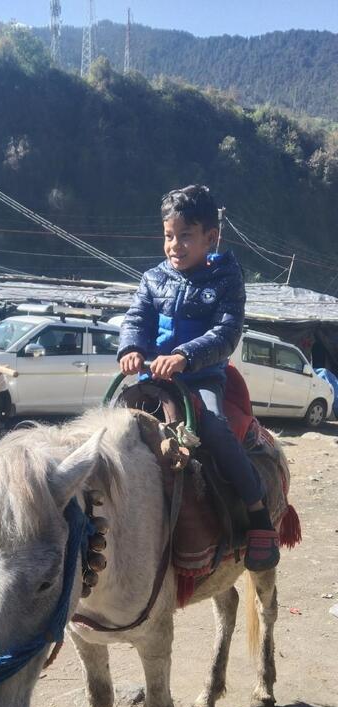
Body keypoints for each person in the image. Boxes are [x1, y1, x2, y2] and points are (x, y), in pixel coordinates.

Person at [117, 184, 280, 571]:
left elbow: (226, 333)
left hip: (202, 378)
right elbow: (136, 318)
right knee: (108, 425)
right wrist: (131, 349)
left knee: (215, 429)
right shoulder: (153, 278)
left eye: (185, 236)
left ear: (211, 237)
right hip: (153, 378)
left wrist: (184, 356)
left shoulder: (226, 278)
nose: (175, 245)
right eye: (168, 236)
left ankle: (257, 512)